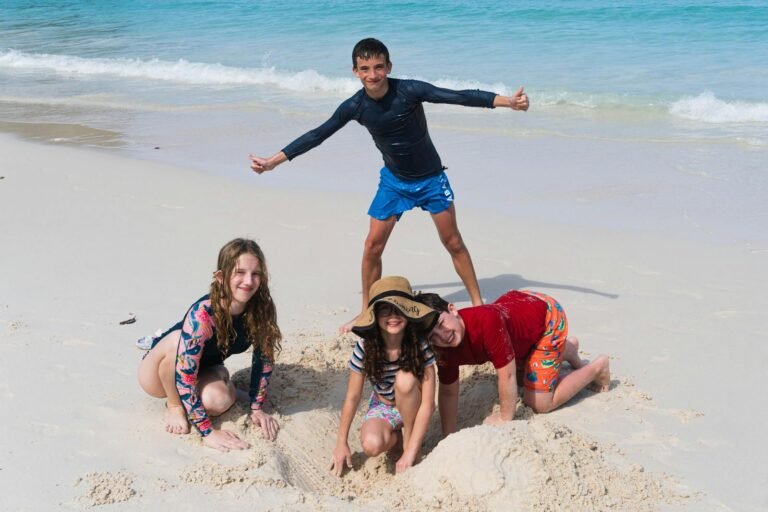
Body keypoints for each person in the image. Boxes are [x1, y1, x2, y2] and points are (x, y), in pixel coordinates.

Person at [249, 38, 529, 332]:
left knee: (453, 242)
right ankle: (365, 310)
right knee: (372, 246)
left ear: (389, 67)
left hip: (432, 179)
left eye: (379, 67)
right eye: (365, 68)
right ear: (355, 71)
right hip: (394, 183)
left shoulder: (409, 91)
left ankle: (478, 303)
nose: (373, 74)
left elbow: (458, 96)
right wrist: (272, 162)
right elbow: (317, 135)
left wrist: (508, 102)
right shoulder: (355, 106)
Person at [137, 238, 282, 452]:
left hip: (204, 367)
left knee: (217, 402)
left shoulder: (262, 309)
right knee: (177, 342)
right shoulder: (203, 313)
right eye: (239, 272)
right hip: (160, 371)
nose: (248, 281)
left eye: (256, 274)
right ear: (221, 277)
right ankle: (175, 405)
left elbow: (264, 359)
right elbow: (184, 377)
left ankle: (222, 384)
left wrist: (256, 407)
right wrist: (208, 432)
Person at [416, 290, 610, 436]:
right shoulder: (443, 349)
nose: (443, 336)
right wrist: (448, 436)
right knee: (520, 380)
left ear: (452, 309)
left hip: (547, 316)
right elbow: (448, 392)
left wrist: (504, 417)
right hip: (518, 315)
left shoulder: (486, 323)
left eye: (441, 324)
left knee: (539, 402)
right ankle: (566, 349)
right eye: (433, 337)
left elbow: (505, 374)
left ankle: (596, 368)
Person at [330, 276, 439, 476]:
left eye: (399, 308)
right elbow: (353, 397)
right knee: (371, 445)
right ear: (375, 315)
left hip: (413, 405)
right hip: (383, 405)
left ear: (409, 312)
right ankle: (396, 439)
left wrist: (411, 451)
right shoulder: (365, 346)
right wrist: (341, 442)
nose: (393, 315)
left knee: (404, 380)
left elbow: (428, 404)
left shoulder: (419, 345)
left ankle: (409, 441)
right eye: (385, 309)